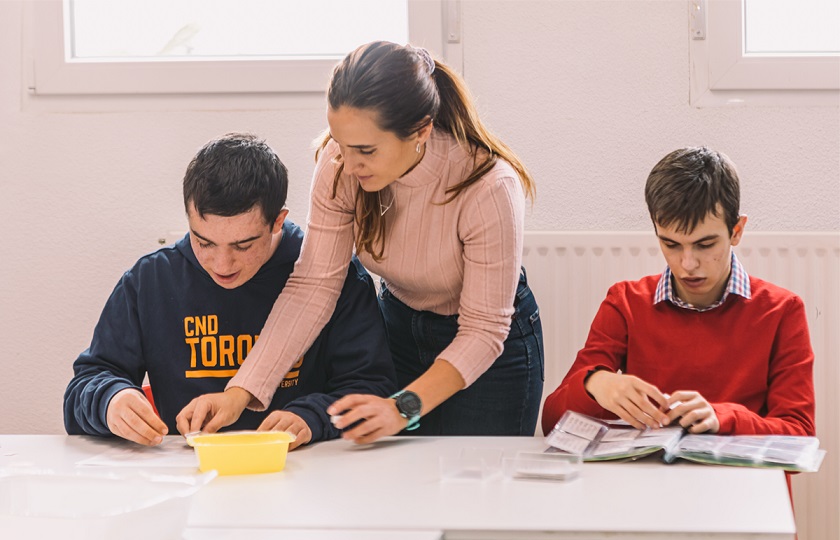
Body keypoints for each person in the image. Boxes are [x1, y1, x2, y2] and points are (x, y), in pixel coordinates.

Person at [177, 41, 544, 442]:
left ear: (420, 130)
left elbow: (483, 330)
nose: (348, 164)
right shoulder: (340, 164)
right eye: (340, 141)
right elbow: (314, 285)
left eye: (365, 150)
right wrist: (239, 392)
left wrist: (402, 407)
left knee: (479, 493)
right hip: (401, 327)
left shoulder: (488, 186)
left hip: (491, 353)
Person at [64, 133, 396, 449]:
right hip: (187, 476)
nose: (222, 264)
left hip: (303, 475)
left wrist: (311, 417)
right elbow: (85, 385)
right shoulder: (150, 280)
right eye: (204, 241)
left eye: (243, 245)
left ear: (278, 221)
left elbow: (373, 389)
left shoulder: (334, 274)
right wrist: (111, 400)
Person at [541, 146, 815, 438]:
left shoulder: (782, 310)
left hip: (738, 481)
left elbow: (799, 433)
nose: (688, 264)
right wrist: (594, 384)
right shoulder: (625, 302)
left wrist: (722, 418)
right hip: (654, 477)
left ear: (736, 231)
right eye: (671, 245)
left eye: (705, 244)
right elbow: (552, 423)